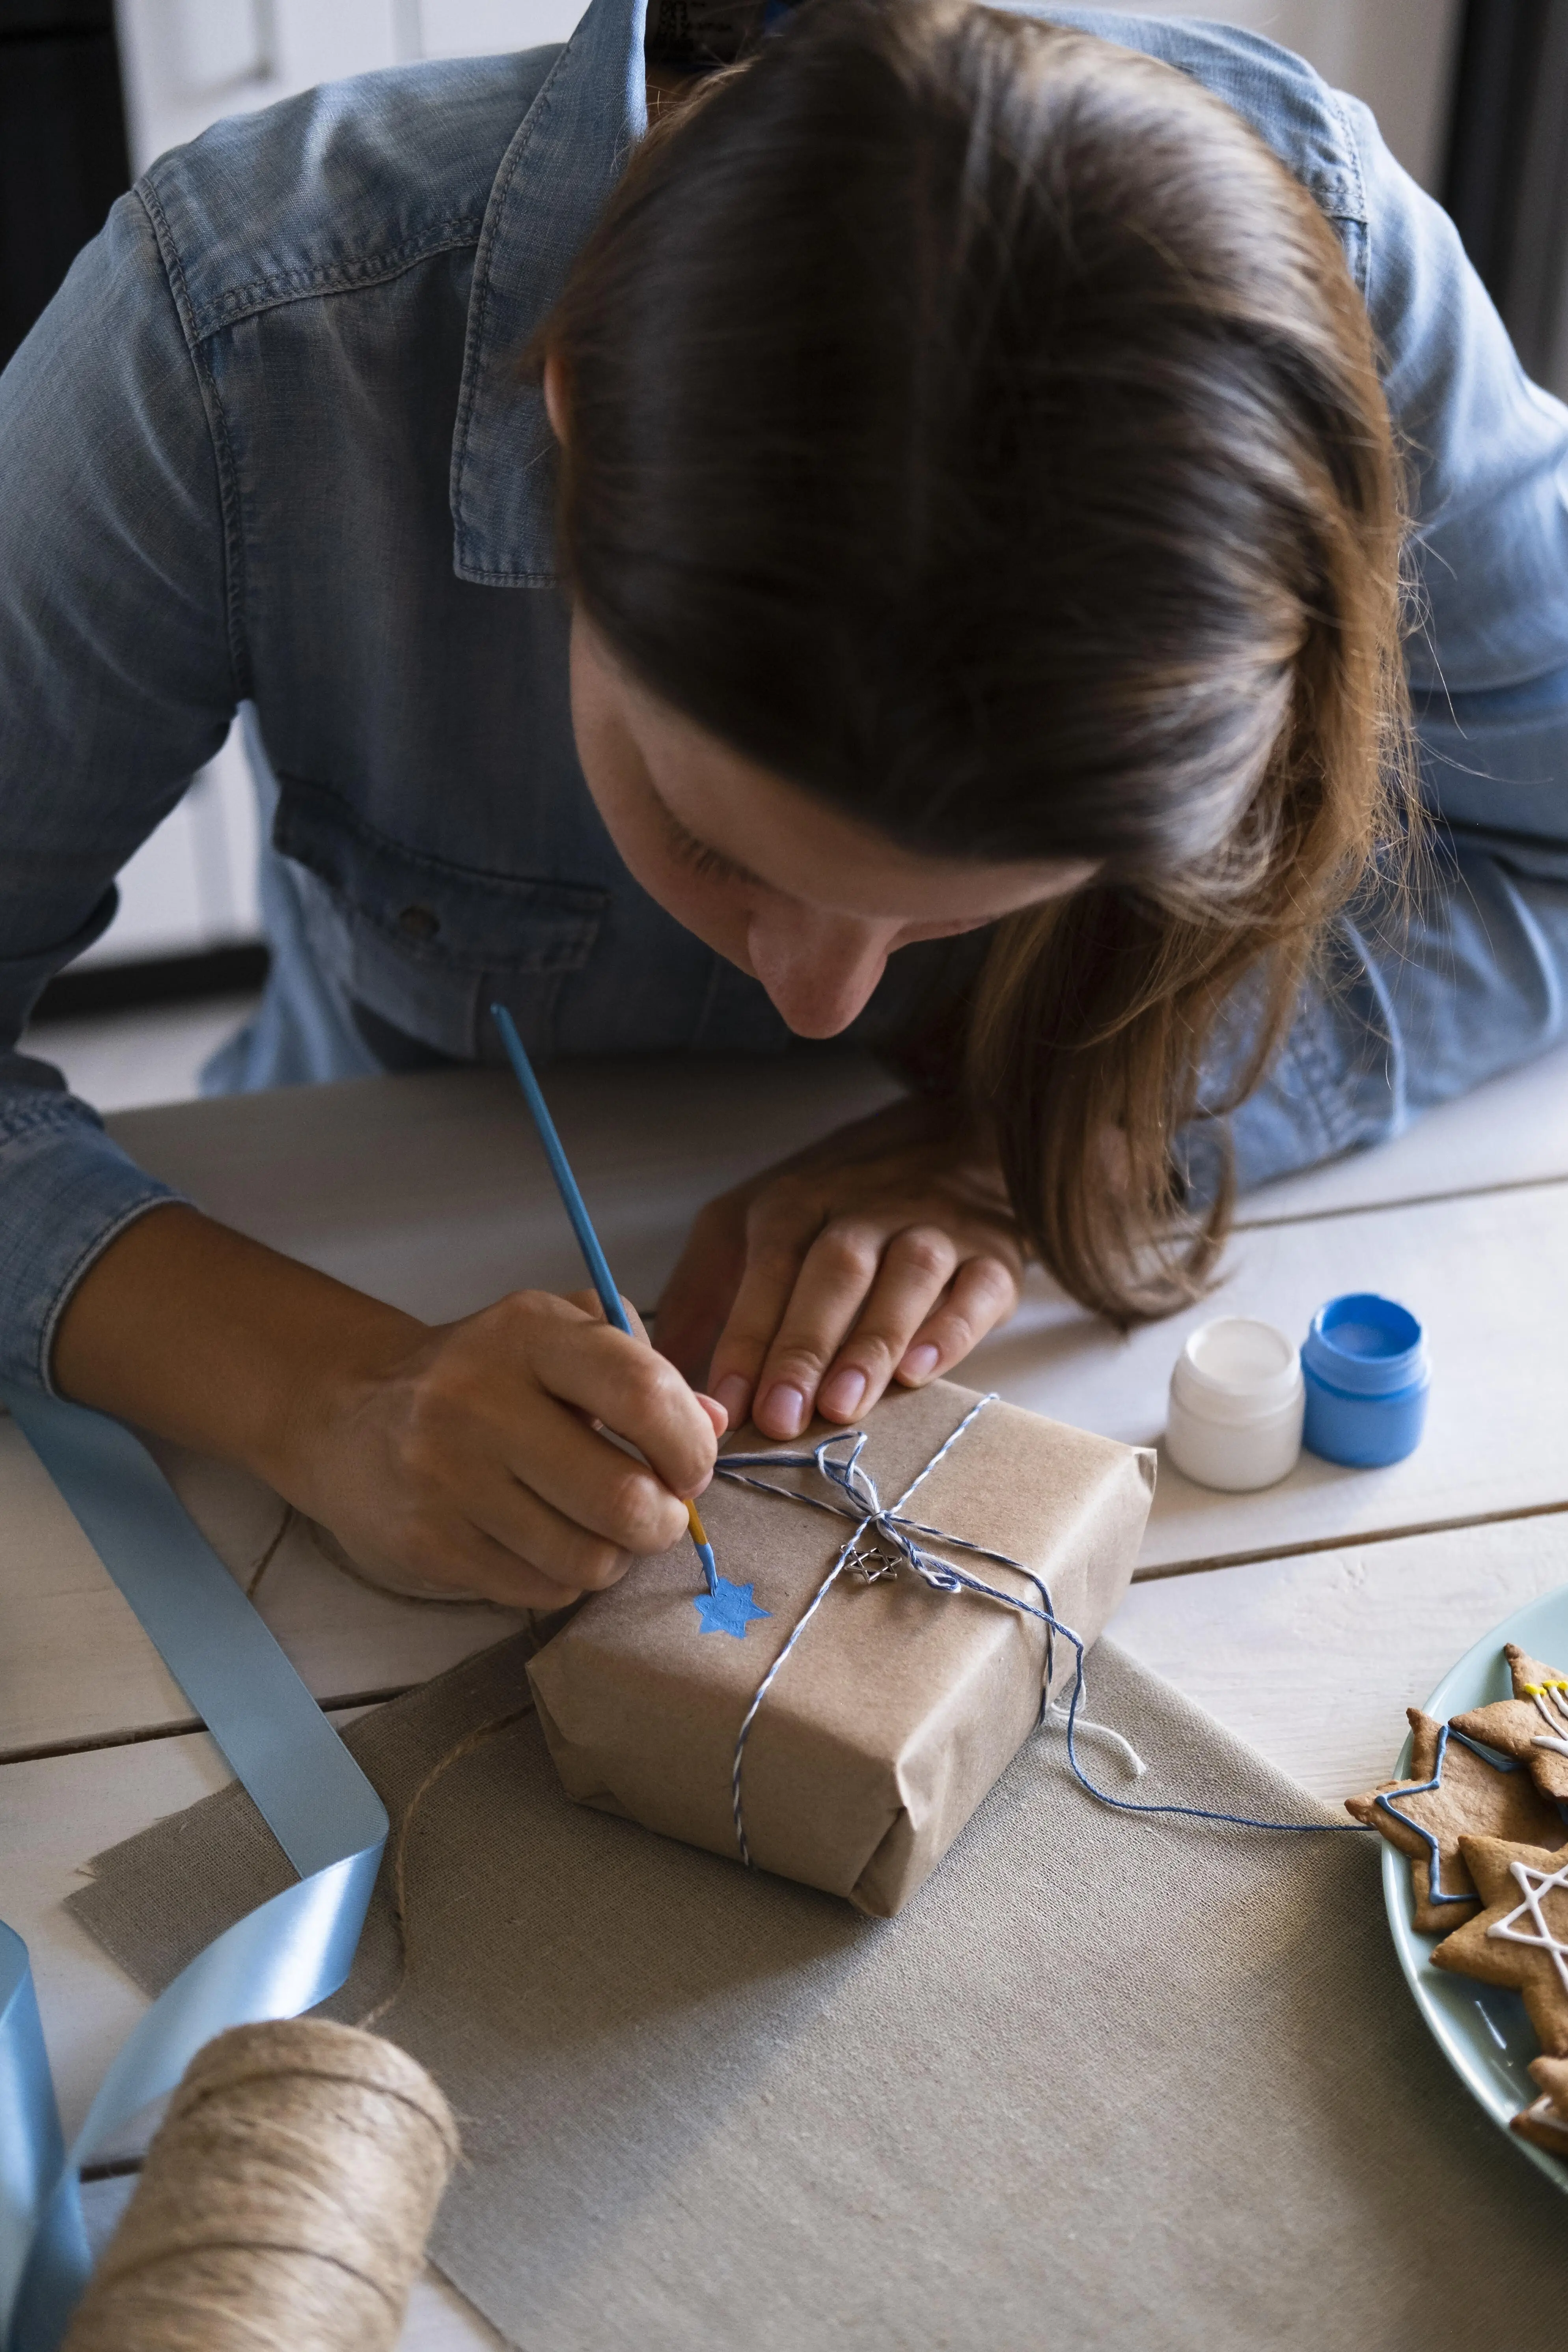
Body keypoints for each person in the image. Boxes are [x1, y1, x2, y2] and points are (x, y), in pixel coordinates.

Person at [2, 0, 1564, 1608]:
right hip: (353, 1220)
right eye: (715, 846)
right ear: (573, 414)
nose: (826, 1006)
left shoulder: (1327, 296)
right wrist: (321, 1393)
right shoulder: (239, 331)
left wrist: (1027, 1140)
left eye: (965, 912)